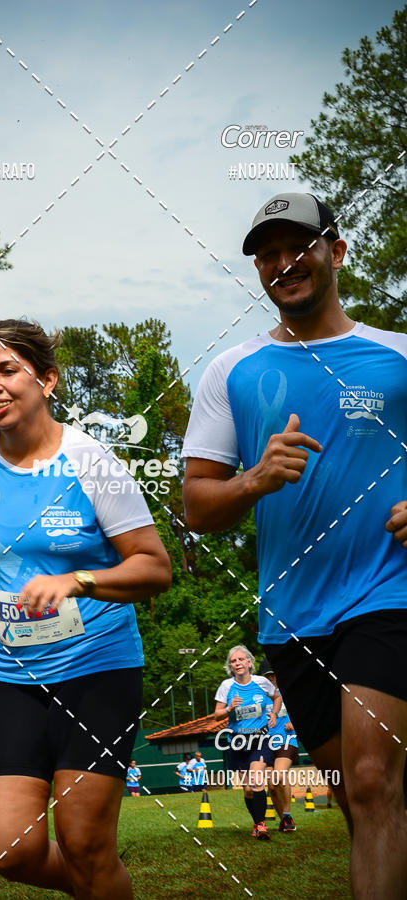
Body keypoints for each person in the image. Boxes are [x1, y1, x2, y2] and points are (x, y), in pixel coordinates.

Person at [183, 191, 407, 895]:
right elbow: (196, 506)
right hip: (291, 617)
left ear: (335, 252)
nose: (285, 264)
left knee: (371, 784)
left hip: (387, 592)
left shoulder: (397, 357)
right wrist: (254, 480)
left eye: (299, 246)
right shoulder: (231, 372)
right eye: (268, 254)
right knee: (356, 798)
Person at [0, 319, 171, 898]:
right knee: (9, 849)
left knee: (84, 843)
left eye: (7, 370)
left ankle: (94, 878)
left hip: (97, 672)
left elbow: (154, 568)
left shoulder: (92, 462)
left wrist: (76, 580)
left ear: (47, 380)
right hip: (10, 677)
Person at [213, 645, 280, 840]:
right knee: (248, 789)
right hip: (237, 741)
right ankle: (256, 821)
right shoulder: (226, 686)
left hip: (260, 738)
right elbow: (217, 715)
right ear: (230, 666)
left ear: (249, 662)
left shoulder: (261, 682)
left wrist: (274, 714)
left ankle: (261, 826)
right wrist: (229, 708)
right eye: (234, 661)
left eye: (241, 659)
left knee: (257, 780)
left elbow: (277, 697)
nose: (238, 663)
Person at [259, 659, 298, 832]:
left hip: (286, 740)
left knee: (280, 775)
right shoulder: (257, 698)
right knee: (272, 787)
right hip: (265, 743)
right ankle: (284, 821)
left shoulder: (288, 693)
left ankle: (288, 814)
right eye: (267, 676)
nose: (271, 678)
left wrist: (294, 724)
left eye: (273, 675)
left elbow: (303, 714)